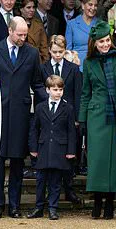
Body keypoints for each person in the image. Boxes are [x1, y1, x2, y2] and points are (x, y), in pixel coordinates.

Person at [78, 21, 116, 220]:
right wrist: (82, 119)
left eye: (107, 40)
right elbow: (86, 92)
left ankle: (110, 203)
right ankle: (98, 202)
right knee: (98, 161)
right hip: (96, 115)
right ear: (94, 43)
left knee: (113, 161)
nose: (105, 44)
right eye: (101, 41)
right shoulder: (89, 62)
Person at [0, 16, 44, 219]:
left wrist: (49, 102)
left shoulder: (31, 53)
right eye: (20, 34)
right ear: (10, 31)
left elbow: (37, 83)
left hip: (21, 115)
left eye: (25, 34)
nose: (23, 38)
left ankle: (14, 206)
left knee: (17, 163)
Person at [27, 75, 76, 220]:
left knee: (55, 181)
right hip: (43, 148)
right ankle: (39, 207)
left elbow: (71, 131)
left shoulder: (68, 108)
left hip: (60, 149)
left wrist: (71, 151)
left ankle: (53, 208)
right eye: (55, 89)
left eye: (60, 89)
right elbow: (34, 129)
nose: (58, 92)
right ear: (47, 90)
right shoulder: (40, 107)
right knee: (41, 181)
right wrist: (33, 148)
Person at [39, 35, 83, 199]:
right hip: (50, 115)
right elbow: (40, 89)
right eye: (55, 52)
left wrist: (78, 117)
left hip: (69, 116)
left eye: (61, 52)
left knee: (69, 155)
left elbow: (78, 93)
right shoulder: (43, 68)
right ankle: (50, 193)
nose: (58, 55)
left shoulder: (73, 68)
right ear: (49, 50)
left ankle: (69, 189)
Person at [66, 0, 98, 72]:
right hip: (78, 67)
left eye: (95, 5)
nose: (93, 8)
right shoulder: (72, 24)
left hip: (96, 66)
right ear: (83, 6)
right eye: (90, 4)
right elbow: (68, 50)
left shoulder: (100, 24)